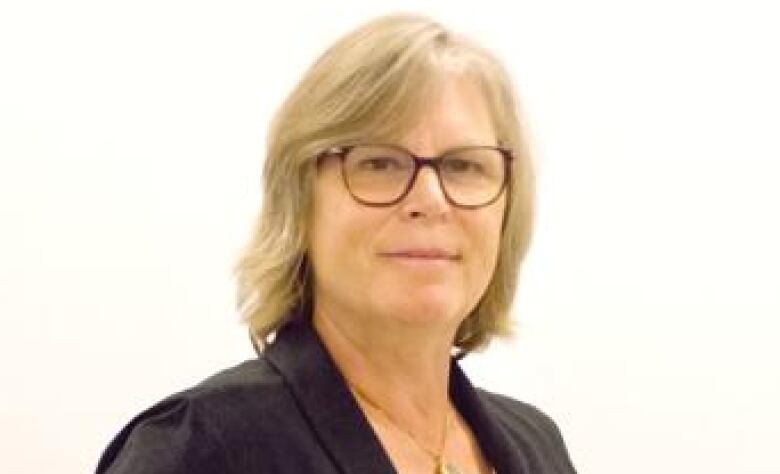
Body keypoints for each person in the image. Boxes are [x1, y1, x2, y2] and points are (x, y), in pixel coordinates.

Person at [96, 13, 577, 474]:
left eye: (463, 166)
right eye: (379, 163)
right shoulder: (198, 449)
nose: (430, 200)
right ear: (299, 201)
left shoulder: (538, 445)